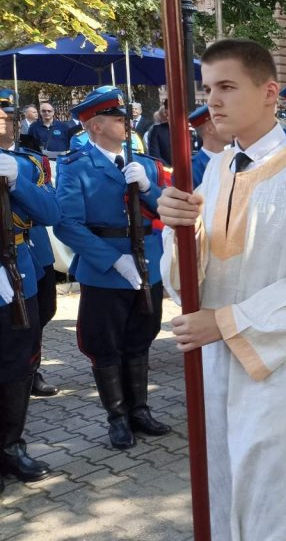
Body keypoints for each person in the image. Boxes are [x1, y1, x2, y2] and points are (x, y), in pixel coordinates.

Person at [157, 38, 286, 540]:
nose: (213, 101)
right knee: (225, 495)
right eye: (208, 88)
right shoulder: (217, 170)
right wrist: (181, 228)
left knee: (282, 506)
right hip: (218, 371)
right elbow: (189, 279)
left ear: (270, 92)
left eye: (227, 86)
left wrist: (225, 322)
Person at [54, 87, 170, 450]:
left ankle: (140, 410)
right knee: (105, 345)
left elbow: (166, 210)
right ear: (95, 126)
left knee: (141, 338)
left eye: (125, 117)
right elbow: (67, 224)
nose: (126, 122)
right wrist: (113, 259)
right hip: (105, 270)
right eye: (117, 118)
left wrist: (148, 188)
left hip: (147, 263)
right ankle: (117, 418)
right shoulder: (75, 166)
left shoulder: (145, 164)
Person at [0, 118, 60, 488]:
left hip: (18, 270)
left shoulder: (27, 163)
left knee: (18, 364)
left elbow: (51, 213)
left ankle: (11, 447)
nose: (2, 118)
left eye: (6, 113)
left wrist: (18, 181)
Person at [187, 104, 232, 188]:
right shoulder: (190, 170)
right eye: (225, 122)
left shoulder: (234, 160)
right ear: (210, 129)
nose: (232, 127)